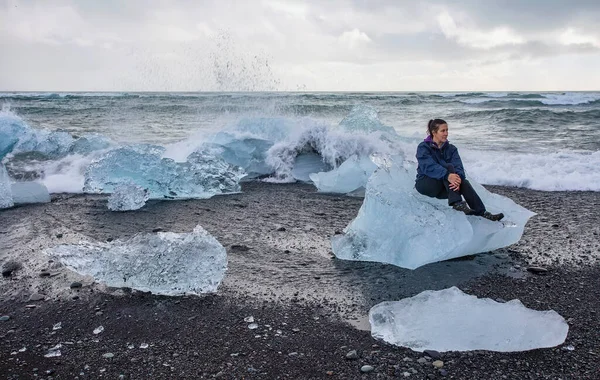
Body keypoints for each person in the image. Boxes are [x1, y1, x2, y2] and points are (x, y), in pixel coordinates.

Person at [415, 119, 504, 221]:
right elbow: (428, 166)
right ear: (434, 132)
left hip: (445, 188)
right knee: (448, 167)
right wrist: (448, 176)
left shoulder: (451, 149)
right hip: (426, 185)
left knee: (464, 182)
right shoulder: (424, 147)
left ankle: (482, 213)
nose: (446, 133)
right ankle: (457, 203)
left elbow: (459, 167)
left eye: (447, 130)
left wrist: (458, 179)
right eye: (443, 131)